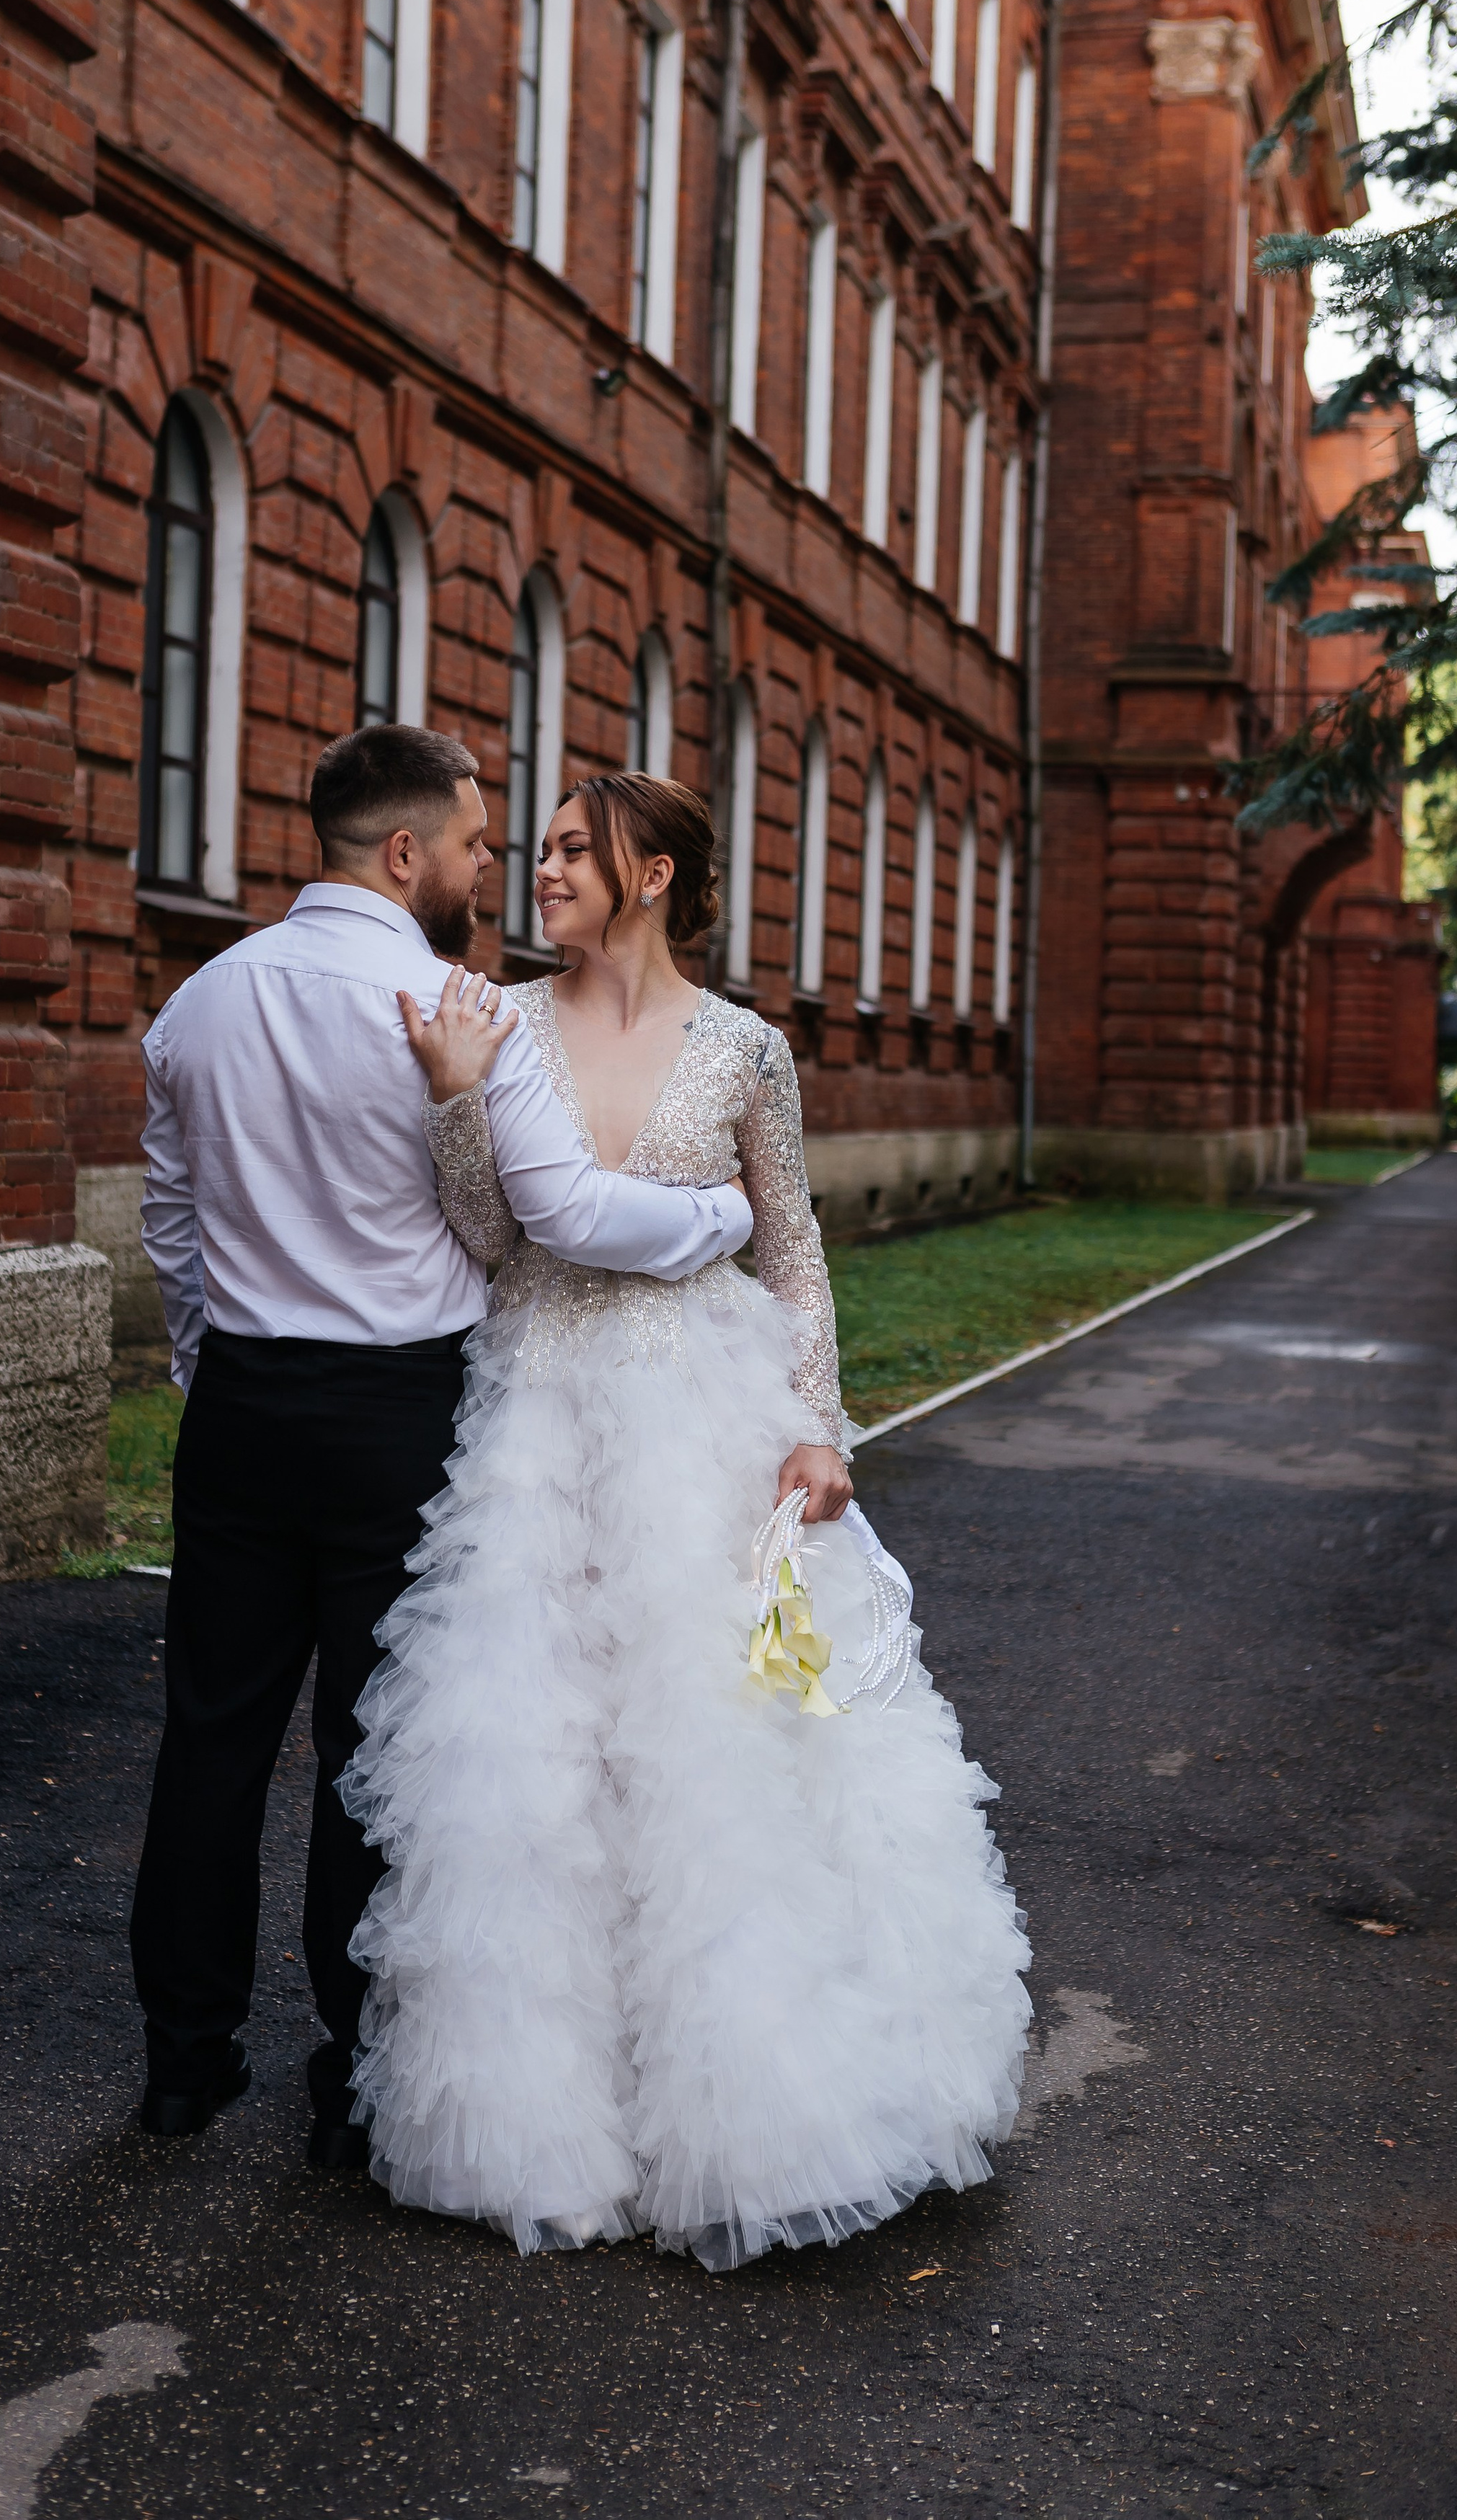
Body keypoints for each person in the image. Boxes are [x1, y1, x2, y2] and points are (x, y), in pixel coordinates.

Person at [343, 771, 1032, 2271]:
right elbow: (483, 1236)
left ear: (652, 876)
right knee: (537, 1775)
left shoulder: (746, 1051)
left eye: (573, 851)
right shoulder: (496, 1016)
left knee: (713, 1757)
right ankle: (545, 2132)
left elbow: (791, 1257)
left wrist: (815, 1430)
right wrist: (459, 1100)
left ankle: (750, 2111)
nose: (540, 871)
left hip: (703, 1426)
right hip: (532, 1428)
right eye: (534, 849)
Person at [130, 727, 758, 2162]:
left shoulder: (196, 1006)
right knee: (379, 1747)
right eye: (480, 846)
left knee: (210, 1741)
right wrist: (723, 1217)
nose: (496, 870)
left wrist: (204, 1365)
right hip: (394, 1415)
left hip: (238, 1407)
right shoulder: (452, 1009)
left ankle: (182, 2062)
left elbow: (172, 1224)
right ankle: (355, 2084)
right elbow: (572, 1218)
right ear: (404, 855)